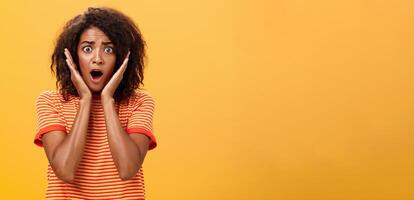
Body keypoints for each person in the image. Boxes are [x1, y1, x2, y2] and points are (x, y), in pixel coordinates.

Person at [33, 7, 157, 199]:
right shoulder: (50, 102)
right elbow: (65, 170)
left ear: (122, 58)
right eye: (87, 49)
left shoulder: (140, 102)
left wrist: (107, 100)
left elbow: (127, 169)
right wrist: (86, 101)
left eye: (109, 49)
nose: (97, 59)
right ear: (73, 57)